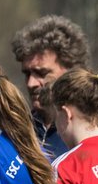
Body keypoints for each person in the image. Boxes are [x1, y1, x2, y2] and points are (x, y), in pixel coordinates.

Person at [11, 15, 91, 160]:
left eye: (42, 73)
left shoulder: (94, 130)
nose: (31, 83)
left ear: (71, 69)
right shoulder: (18, 131)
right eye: (27, 73)